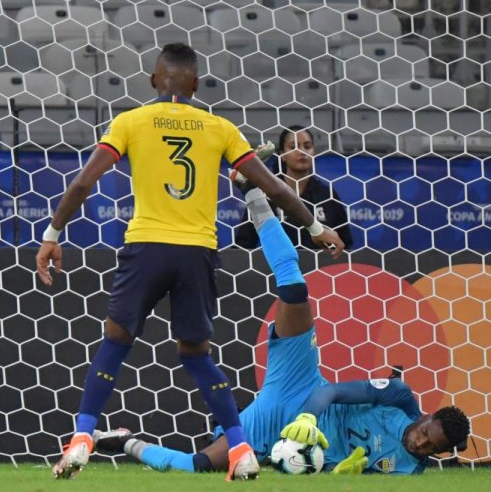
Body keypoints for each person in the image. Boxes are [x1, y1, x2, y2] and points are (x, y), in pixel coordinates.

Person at [36, 42, 345, 482]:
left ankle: (83, 437)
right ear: (197, 84)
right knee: (197, 354)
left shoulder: (130, 121)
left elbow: (85, 182)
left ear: (152, 81)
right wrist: (316, 227)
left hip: (146, 247)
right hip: (197, 252)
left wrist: (52, 234)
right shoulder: (219, 128)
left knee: (116, 342)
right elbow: (276, 189)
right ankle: (240, 449)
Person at [94, 181, 470, 474]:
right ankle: (253, 193)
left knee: (199, 465)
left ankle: (119, 442)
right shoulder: (401, 399)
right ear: (426, 417)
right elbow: (336, 392)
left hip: (281, 434)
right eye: (424, 434)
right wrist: (308, 417)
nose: (419, 445)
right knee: (294, 290)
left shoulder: (409, 469)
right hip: (302, 385)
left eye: (429, 448)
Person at [235, 126, 353, 250]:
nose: (301, 151)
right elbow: (243, 246)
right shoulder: (265, 195)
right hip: (280, 267)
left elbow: (345, 243)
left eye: (307, 146)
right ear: (282, 154)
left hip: (320, 267)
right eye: (293, 147)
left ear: (314, 152)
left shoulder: (327, 195)